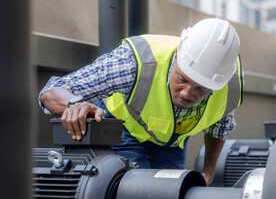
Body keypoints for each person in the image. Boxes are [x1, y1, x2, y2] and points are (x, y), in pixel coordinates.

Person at [39, 18, 243, 185]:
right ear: (178, 56)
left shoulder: (229, 87)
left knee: (170, 196)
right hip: (124, 129)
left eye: (201, 88)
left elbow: (220, 125)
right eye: (182, 79)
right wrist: (74, 104)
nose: (188, 94)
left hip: (171, 141)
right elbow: (50, 91)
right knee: (135, 192)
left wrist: (208, 172)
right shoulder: (134, 63)